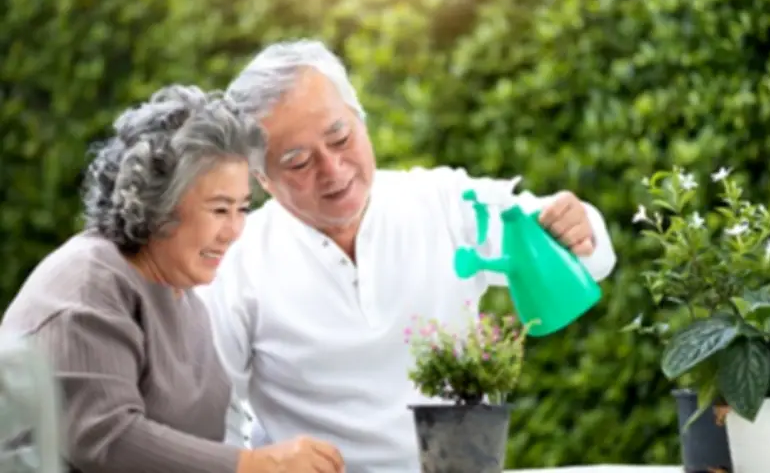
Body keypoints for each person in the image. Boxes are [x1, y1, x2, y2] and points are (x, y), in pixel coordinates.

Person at [197, 39, 618, 473]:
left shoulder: (444, 203)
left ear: (361, 120)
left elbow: (582, 253)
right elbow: (214, 422)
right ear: (262, 178)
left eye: (340, 138)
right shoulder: (236, 263)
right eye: (299, 162)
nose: (333, 169)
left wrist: (579, 224)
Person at [0, 84, 345, 473]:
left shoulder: (185, 299)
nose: (235, 231)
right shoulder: (87, 285)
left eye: (242, 209)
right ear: (157, 205)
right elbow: (106, 438)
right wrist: (252, 465)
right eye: (220, 210)